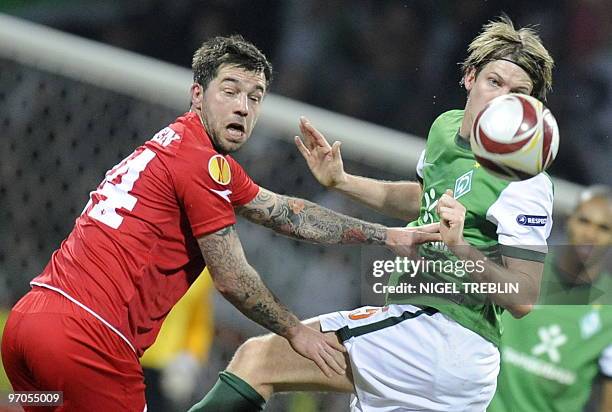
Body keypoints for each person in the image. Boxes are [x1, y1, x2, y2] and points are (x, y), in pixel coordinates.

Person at [0, 35, 439, 412]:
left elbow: (286, 214)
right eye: (230, 91)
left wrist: (388, 234)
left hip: (29, 327)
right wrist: (296, 331)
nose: (243, 107)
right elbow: (231, 279)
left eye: (255, 96)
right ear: (196, 94)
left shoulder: (180, 149)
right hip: (89, 342)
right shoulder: (201, 164)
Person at [190, 16, 556, 412]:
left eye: (518, 93)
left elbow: (523, 297)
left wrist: (462, 248)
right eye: (494, 82)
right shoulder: (445, 130)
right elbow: (423, 198)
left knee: (257, 359)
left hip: (442, 334)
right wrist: (342, 181)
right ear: (469, 77)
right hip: (434, 350)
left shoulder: (525, 179)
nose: (502, 98)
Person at [488, 186, 612, 412]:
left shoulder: (609, 313)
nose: (590, 235)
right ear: (568, 220)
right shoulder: (521, 268)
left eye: (604, 228)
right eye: (584, 221)